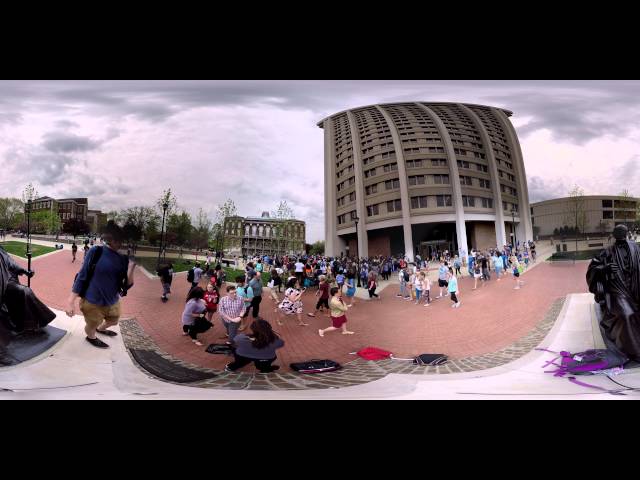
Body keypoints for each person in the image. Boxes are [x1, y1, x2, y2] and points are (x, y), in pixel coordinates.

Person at [66, 222, 135, 349]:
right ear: (112, 240)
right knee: (92, 324)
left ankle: (101, 329)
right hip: (92, 301)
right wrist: (70, 301)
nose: (122, 244)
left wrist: (131, 268)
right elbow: (82, 276)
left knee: (114, 320)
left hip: (113, 301)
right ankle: (91, 336)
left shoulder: (124, 259)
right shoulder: (96, 252)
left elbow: (128, 285)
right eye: (119, 240)